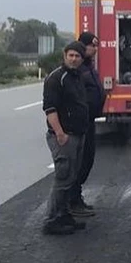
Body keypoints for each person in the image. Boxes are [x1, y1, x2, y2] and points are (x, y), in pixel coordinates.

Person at [41, 42, 90, 235]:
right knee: (63, 178)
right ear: (64, 55)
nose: (73, 59)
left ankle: (64, 215)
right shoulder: (56, 78)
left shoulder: (76, 77)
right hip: (64, 137)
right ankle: (51, 220)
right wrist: (60, 134)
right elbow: (50, 109)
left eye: (77, 56)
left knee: (71, 177)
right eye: (70, 55)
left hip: (78, 134)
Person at [69, 31, 106, 216]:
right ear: (84, 46)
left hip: (89, 121)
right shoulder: (77, 69)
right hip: (79, 124)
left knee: (87, 160)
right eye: (93, 45)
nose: (96, 49)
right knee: (78, 163)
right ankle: (71, 202)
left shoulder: (89, 66)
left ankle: (76, 198)